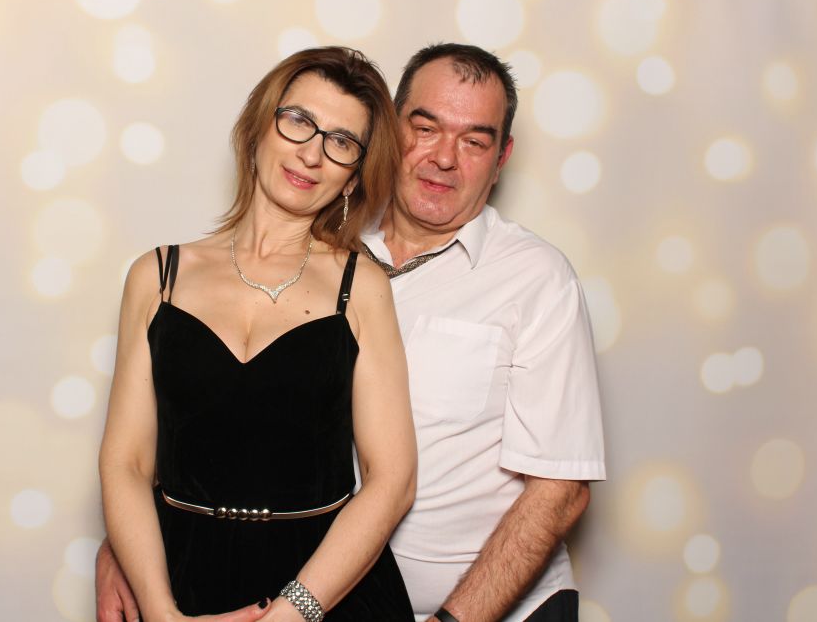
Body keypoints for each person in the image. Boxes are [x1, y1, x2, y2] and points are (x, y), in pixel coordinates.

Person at [98, 43, 606, 622]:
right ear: (393, 135)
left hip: (481, 609)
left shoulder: (535, 279)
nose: (444, 158)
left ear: (501, 157)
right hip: (280, 588)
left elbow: (560, 490)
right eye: (426, 128)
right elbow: (205, 430)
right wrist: (129, 553)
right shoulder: (334, 250)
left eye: (474, 141)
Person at [98, 46, 418, 622]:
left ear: (353, 175)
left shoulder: (362, 286)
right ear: (257, 129)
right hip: (180, 584)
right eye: (298, 120)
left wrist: (292, 613)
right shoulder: (157, 276)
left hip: (327, 592)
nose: (312, 153)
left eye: (342, 142)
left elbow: (392, 481)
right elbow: (127, 464)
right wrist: (160, 611)